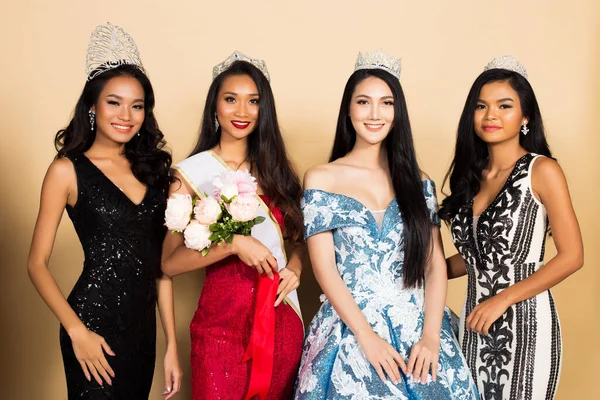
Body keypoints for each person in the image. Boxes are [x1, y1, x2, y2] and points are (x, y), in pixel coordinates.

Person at [295, 50, 478, 399]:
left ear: (398, 112)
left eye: (386, 103)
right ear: (348, 110)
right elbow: (325, 269)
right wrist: (367, 337)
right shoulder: (322, 178)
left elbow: (434, 266)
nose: (375, 114)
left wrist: (431, 337)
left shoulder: (418, 181)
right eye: (364, 102)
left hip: (417, 325)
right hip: (351, 328)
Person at [27, 23, 181, 399]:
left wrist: (172, 345)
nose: (126, 114)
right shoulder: (67, 169)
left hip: (142, 333)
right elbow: (36, 263)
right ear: (93, 106)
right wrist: (76, 331)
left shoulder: (157, 173)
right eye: (114, 102)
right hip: (90, 324)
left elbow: (159, 267)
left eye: (137, 105)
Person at [438, 56, 584, 399]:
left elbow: (573, 256)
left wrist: (502, 299)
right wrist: (429, 271)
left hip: (526, 326)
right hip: (474, 328)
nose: (491, 115)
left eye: (505, 106)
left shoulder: (542, 170)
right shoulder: (470, 178)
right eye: (481, 106)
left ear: (525, 117)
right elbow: (478, 256)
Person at [161, 51, 304, 400]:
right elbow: (168, 263)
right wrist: (235, 243)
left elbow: (297, 240)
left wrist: (296, 267)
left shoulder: (277, 172)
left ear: (264, 109)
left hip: (280, 318)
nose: (242, 111)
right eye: (231, 99)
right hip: (219, 327)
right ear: (215, 106)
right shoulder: (189, 175)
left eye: (253, 101)